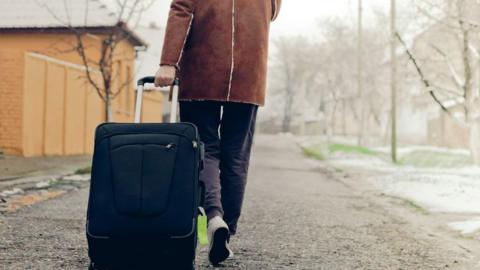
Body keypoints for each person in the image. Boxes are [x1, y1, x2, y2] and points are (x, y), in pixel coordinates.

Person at [155, 0, 282, 265]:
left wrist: (169, 62)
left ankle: (214, 217)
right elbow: (273, 12)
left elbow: (181, 9)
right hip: (249, 74)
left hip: (203, 70)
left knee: (204, 149)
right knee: (236, 155)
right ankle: (227, 231)